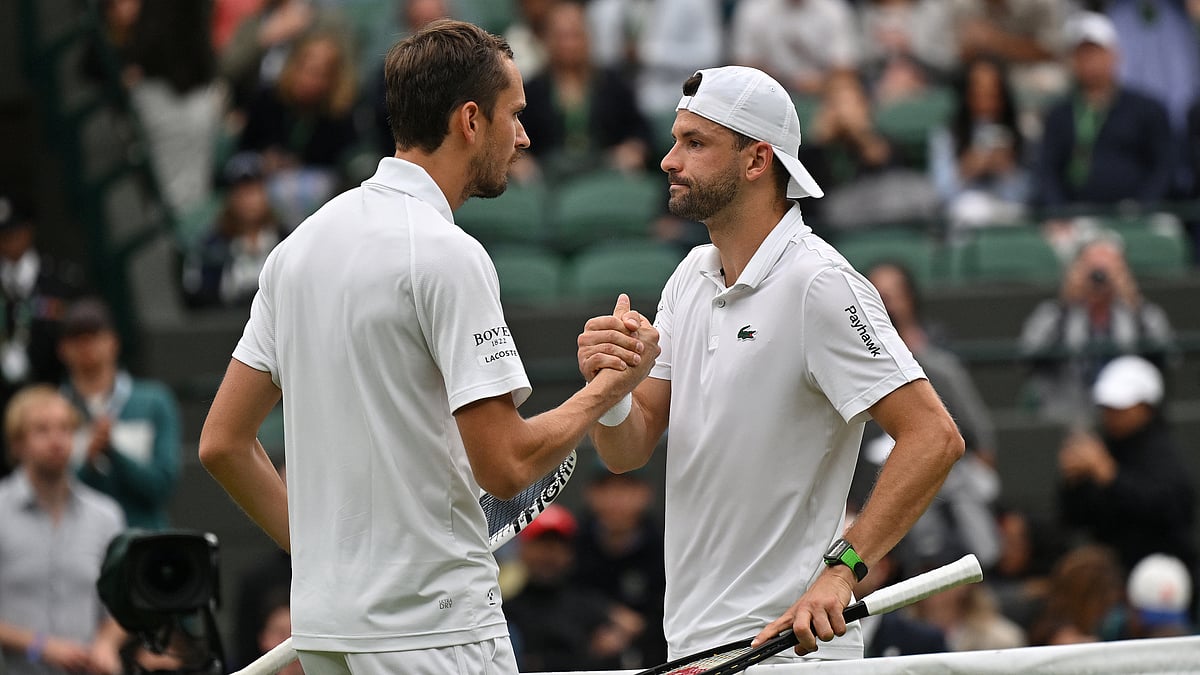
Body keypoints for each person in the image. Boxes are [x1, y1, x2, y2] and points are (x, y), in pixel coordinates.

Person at [199, 19, 656, 675]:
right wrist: (608, 389)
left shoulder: (296, 249)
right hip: (433, 632)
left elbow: (222, 442)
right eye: (515, 116)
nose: (525, 136)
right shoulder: (449, 255)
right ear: (471, 120)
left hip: (330, 626)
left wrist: (323, 558)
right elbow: (505, 464)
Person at [576, 65, 963, 662]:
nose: (668, 160)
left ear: (757, 161)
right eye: (677, 139)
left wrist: (843, 571)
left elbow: (934, 437)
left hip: (788, 654)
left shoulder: (821, 285)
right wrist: (613, 390)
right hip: (693, 646)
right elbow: (626, 452)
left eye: (695, 142)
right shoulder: (688, 277)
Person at [0, 385, 126, 675]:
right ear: (17, 443)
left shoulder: (105, 515)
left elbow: (122, 606)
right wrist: (39, 645)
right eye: (42, 430)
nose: (57, 440)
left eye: (65, 429)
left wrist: (106, 644)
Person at [1056, 355, 1196, 577]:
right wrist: (1074, 483)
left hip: (1162, 575)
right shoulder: (1105, 449)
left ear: (1146, 408)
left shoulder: (1163, 454)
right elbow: (1075, 519)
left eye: (1120, 407)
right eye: (1108, 407)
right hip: (1112, 577)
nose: (1112, 415)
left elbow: (1169, 511)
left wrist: (1108, 474)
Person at [1018, 233, 1175, 423]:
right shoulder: (1053, 313)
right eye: (1092, 267)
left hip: (1125, 420)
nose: (1099, 277)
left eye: (1108, 267)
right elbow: (1027, 356)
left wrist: (1134, 304)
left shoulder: (1143, 314)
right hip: (1066, 416)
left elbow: (1168, 357)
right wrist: (1065, 304)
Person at [56, 298, 181, 530]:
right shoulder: (52, 410)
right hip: (78, 547)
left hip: (145, 543)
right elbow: (47, 493)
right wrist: (89, 462)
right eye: (77, 338)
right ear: (63, 349)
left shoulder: (154, 402)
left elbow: (162, 486)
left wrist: (113, 451)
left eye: (94, 336)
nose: (86, 346)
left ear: (113, 341)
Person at [1030, 11, 1174, 210]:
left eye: (1095, 52)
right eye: (1081, 53)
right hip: (1077, 218)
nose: (1089, 61)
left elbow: (1163, 167)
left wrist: (1142, 206)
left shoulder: (1147, 108)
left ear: (1114, 55)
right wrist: (1061, 212)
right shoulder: (1059, 114)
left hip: (1136, 217)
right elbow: (1047, 170)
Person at [0, 193, 88, 473]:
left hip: (52, 395)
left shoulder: (61, 280)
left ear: (29, 230)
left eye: (14, 232)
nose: (8, 242)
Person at [502, 504, 645, 670]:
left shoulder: (593, 606)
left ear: (570, 552)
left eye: (556, 545)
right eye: (540, 544)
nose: (548, 555)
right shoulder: (506, 612)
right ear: (523, 550)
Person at [572, 467, 668, 665]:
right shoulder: (573, 544)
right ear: (590, 493)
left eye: (625, 488)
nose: (615, 499)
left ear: (645, 493)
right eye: (606, 488)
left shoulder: (666, 545)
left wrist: (642, 627)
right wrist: (608, 613)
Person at [181, 152, 288, 308]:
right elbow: (197, 295)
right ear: (230, 197)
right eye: (241, 192)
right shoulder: (210, 246)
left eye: (254, 190)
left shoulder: (286, 238)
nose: (249, 199)